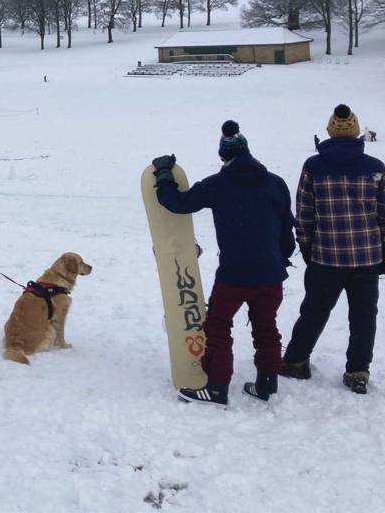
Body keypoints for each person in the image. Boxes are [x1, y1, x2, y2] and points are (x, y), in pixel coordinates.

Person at [152, 120, 296, 407]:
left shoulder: (217, 185)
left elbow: (177, 203)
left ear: (223, 156)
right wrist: (279, 261)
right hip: (270, 274)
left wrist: (164, 174)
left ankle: (217, 387)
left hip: (235, 274)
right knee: (266, 325)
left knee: (218, 326)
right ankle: (267, 382)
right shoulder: (275, 183)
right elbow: (286, 234)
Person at [282, 105, 384, 395]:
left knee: (314, 310)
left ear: (329, 131)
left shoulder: (314, 167)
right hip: (367, 256)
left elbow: (304, 213)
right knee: (364, 315)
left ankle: (296, 361)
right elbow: (384, 213)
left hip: (326, 256)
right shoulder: (375, 168)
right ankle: (358, 371)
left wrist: (306, 246)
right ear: (356, 132)